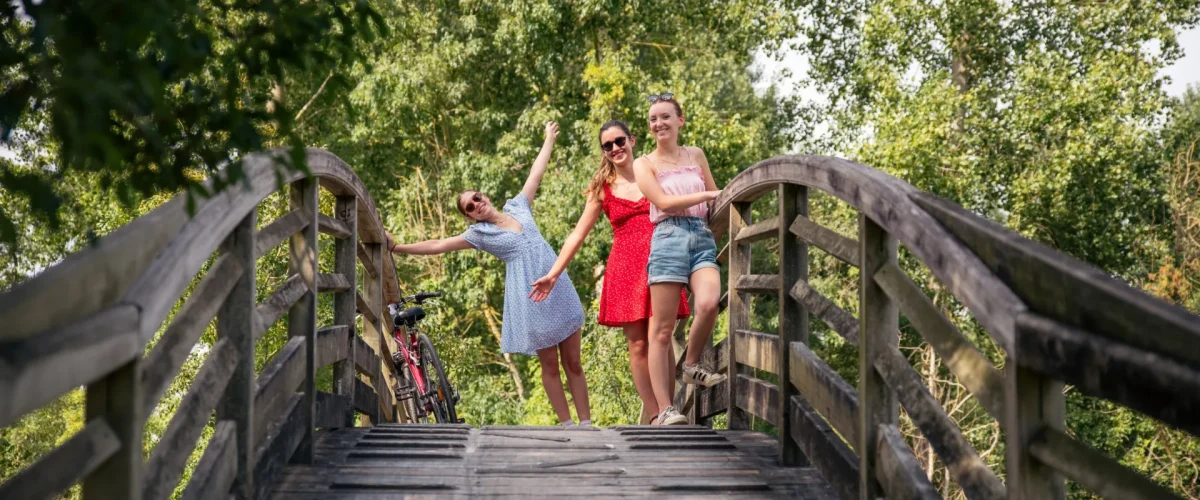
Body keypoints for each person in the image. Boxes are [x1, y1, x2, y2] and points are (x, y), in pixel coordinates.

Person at [386, 122, 591, 427]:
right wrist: (398, 247)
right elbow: (439, 245)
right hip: (532, 296)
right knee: (550, 366)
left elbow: (536, 172)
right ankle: (568, 425)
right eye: (470, 207)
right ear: (469, 215)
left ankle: (586, 423)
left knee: (573, 361)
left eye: (477, 198)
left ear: (485, 197)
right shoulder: (479, 235)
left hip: (557, 285)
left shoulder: (519, 206)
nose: (477, 205)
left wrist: (548, 137)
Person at [529, 120, 690, 425]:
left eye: (619, 141)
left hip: (662, 261)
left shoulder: (655, 172)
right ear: (603, 151)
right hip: (626, 269)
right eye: (608, 145)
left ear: (632, 140)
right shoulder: (602, 189)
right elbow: (577, 234)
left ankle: (670, 411)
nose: (615, 148)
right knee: (639, 344)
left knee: (662, 336)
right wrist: (553, 274)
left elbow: (688, 200)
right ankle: (656, 415)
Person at [632, 93, 725, 426]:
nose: (659, 124)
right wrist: (705, 196)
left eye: (666, 117)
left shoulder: (695, 155)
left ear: (680, 121)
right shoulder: (643, 163)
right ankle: (665, 409)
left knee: (709, 303)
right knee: (661, 330)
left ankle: (691, 365)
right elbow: (662, 202)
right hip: (668, 236)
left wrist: (714, 204)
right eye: (653, 119)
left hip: (700, 236)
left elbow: (718, 203)